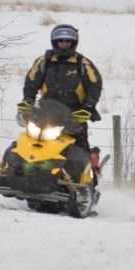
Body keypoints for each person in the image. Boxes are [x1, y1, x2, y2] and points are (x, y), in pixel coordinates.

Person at [18, 24, 104, 176]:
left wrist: (88, 107)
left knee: (80, 148)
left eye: (67, 41)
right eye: (60, 41)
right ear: (54, 42)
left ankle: (87, 181)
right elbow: (31, 82)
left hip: (74, 115)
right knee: (28, 141)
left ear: (73, 43)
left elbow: (95, 85)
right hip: (46, 112)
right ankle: (12, 172)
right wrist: (27, 101)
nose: (64, 44)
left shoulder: (82, 63)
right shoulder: (44, 61)